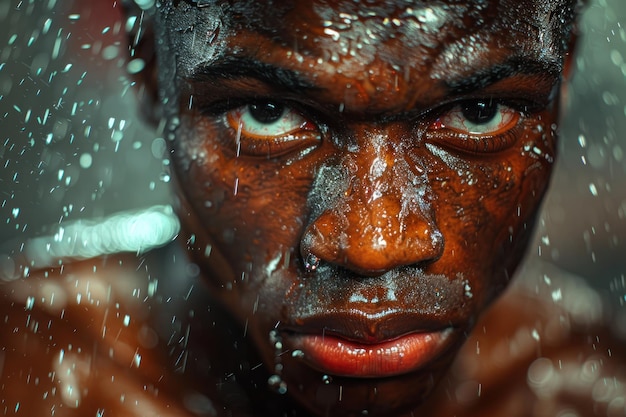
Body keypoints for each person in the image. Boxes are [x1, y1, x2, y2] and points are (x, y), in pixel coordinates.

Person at [1, 0, 625, 416]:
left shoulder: (590, 390)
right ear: (152, 73)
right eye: (269, 113)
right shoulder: (23, 374)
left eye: (476, 113)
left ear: (560, 78)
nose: (373, 245)